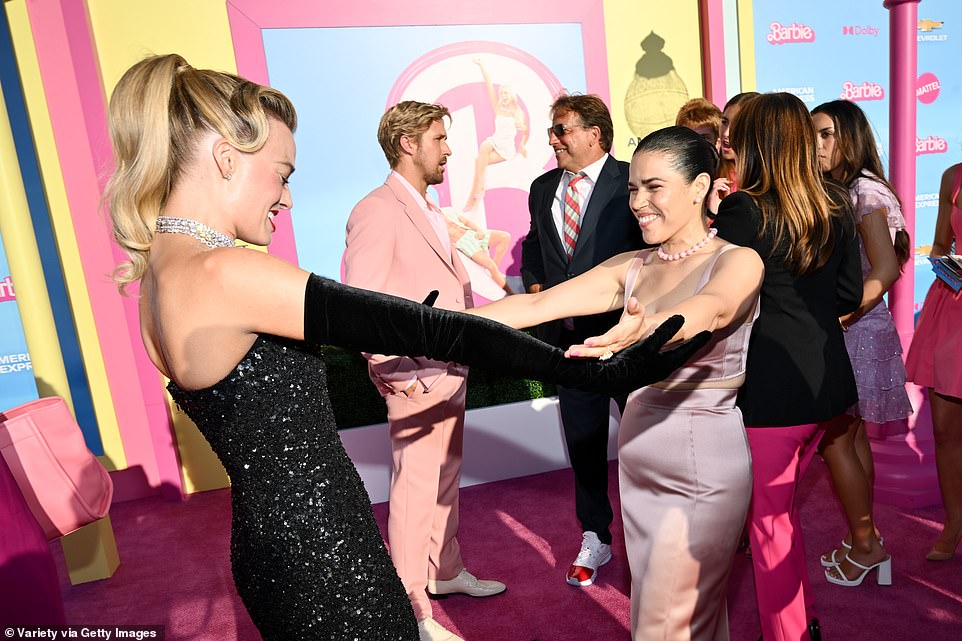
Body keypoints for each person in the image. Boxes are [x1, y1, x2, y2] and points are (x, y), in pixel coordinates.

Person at [105, 54, 707, 641]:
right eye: (283, 175)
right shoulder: (225, 273)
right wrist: (587, 372)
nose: (287, 199)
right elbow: (426, 328)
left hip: (271, 546)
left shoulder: (157, 274)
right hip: (325, 554)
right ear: (225, 159)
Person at [471, 126, 763, 641]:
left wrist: (648, 327)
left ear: (700, 187)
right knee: (690, 617)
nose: (638, 203)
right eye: (633, 188)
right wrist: (431, 322)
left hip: (702, 455)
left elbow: (712, 309)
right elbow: (537, 305)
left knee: (663, 623)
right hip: (639, 450)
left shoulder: (737, 260)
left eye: (655, 188)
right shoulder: (632, 266)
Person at [342, 101, 505, 641]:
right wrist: (400, 373)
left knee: (445, 480)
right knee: (413, 494)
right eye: (439, 138)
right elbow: (362, 305)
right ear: (408, 143)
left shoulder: (430, 207)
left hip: (448, 370)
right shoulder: (377, 209)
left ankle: (445, 571)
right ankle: (410, 606)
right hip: (415, 378)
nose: (449, 149)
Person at [712, 92, 863, 641]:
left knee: (769, 525)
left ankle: (791, 634)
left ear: (758, 141)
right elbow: (847, 294)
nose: (728, 142)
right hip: (825, 387)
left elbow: (718, 300)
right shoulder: (838, 201)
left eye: (738, 132)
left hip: (771, 394)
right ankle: (804, 623)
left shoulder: (744, 209)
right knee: (782, 517)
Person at [520, 93, 647, 587]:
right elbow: (535, 244)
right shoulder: (541, 187)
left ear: (595, 132)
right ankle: (596, 536)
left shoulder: (630, 183)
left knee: (646, 447)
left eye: (562, 129)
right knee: (585, 448)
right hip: (569, 348)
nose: (553, 139)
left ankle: (650, 538)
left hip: (626, 342)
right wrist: (536, 289)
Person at [811, 99, 912, 585]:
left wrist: (841, 319)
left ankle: (867, 544)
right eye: (813, 135)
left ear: (850, 137)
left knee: (834, 441)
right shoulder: (848, 190)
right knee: (848, 438)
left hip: (857, 333)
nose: (817, 145)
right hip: (859, 329)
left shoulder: (865, 192)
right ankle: (863, 539)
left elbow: (888, 270)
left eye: (826, 135)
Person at [905, 161, 962, 562]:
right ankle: (954, 522)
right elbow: (941, 244)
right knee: (944, 428)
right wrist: (947, 261)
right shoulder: (953, 176)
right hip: (953, 307)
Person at [463, 58, 529, 212]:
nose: (503, 95)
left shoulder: (518, 113)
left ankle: (474, 198)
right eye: (502, 93)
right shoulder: (498, 109)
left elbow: (524, 131)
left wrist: (522, 145)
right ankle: (478, 192)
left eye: (505, 93)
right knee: (484, 148)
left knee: (478, 160)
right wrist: (482, 67)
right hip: (494, 142)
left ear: (511, 95)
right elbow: (489, 87)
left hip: (505, 149)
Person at [440, 207, 513, 292]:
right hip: (464, 243)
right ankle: (511, 293)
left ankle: (495, 271)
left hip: (471, 233)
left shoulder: (447, 210)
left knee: (505, 237)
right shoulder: (434, 222)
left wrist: (479, 230)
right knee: (491, 266)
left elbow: (467, 222)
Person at [709, 92, 758, 216]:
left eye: (737, 125)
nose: (726, 133)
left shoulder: (768, 182)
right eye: (724, 122)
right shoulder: (708, 175)